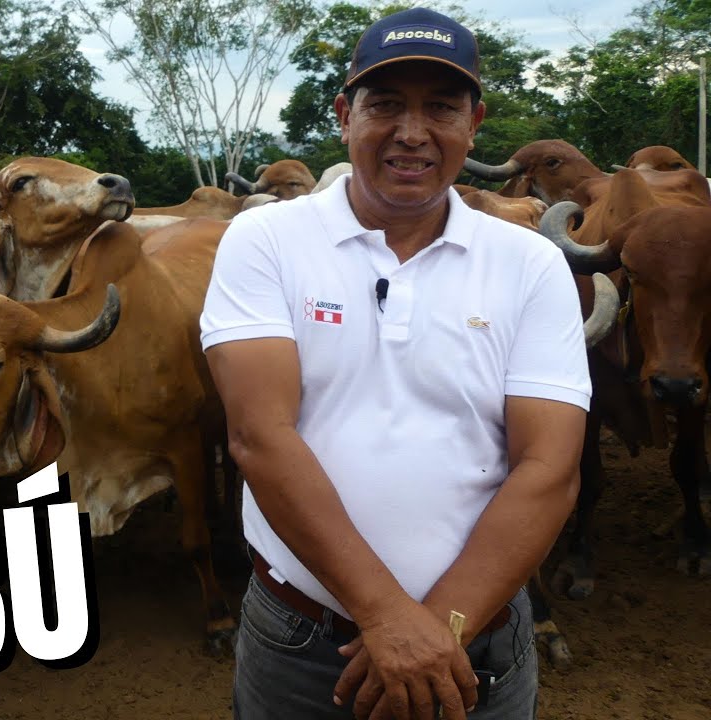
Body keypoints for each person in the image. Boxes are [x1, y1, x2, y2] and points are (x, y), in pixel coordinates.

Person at [199, 7, 590, 720]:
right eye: (385, 105)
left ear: (474, 123)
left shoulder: (530, 263)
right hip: (301, 640)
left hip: (478, 650)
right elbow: (260, 436)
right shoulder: (265, 240)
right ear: (345, 115)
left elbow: (550, 466)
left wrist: (437, 630)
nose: (412, 132)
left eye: (440, 107)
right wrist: (385, 616)